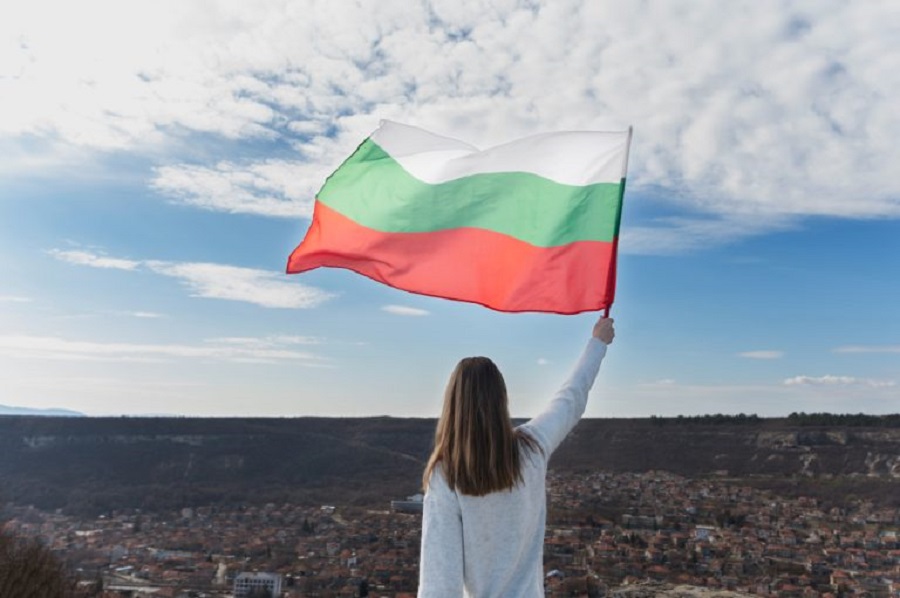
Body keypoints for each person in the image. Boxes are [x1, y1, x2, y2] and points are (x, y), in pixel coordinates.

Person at [418, 317, 615, 597]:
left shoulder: (447, 474)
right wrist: (597, 343)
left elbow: (440, 581)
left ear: (453, 404)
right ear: (501, 399)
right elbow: (571, 398)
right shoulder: (532, 447)